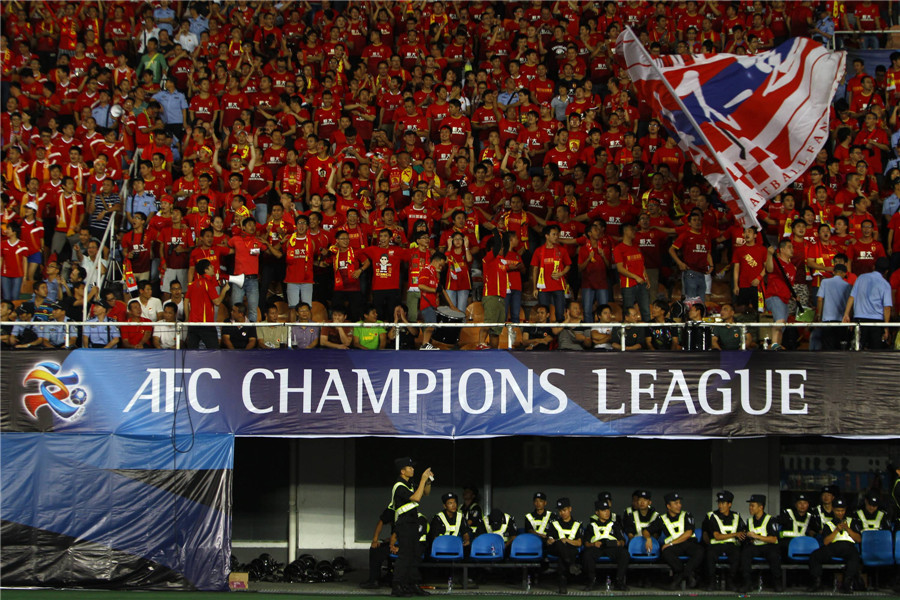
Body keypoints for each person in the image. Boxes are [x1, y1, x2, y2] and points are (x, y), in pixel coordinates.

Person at [389, 457, 433, 598]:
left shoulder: (410, 483)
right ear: (402, 471)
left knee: (415, 555)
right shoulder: (399, 485)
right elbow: (417, 498)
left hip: (413, 522)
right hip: (404, 523)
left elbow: (425, 492)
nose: (412, 469)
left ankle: (412, 585)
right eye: (410, 467)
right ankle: (397, 586)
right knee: (405, 556)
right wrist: (422, 479)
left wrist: (428, 481)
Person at [644, 492, 704, 590]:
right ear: (668, 506)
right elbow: (646, 531)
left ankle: (679, 578)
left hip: (688, 543)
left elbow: (688, 533)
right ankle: (688, 575)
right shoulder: (661, 519)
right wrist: (648, 538)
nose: (679, 505)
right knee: (666, 552)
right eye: (676, 503)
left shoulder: (687, 515)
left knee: (700, 551)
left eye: (679, 503)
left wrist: (671, 543)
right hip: (675, 547)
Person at [806, 497, 862, 593]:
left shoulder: (852, 522)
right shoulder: (828, 524)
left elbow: (859, 539)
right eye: (837, 511)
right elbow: (825, 542)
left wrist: (848, 529)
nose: (840, 513)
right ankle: (817, 583)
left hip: (848, 546)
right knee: (815, 556)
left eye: (842, 510)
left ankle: (847, 583)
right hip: (833, 547)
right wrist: (836, 530)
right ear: (833, 510)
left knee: (855, 556)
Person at [842, 257, 893, 349]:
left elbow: (852, 297)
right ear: (886, 271)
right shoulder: (885, 285)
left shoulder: (861, 278)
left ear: (874, 267)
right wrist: (886, 328)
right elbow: (887, 308)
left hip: (860, 320)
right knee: (875, 351)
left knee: (857, 349)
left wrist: (846, 314)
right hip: (877, 324)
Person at [582, 499, 629, 591]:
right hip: (597, 547)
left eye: (608, 510)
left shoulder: (615, 525)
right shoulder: (591, 526)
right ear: (597, 512)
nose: (607, 512)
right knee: (587, 555)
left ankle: (619, 581)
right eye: (603, 510)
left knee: (624, 554)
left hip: (611, 547)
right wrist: (593, 544)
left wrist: (619, 543)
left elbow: (623, 541)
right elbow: (586, 543)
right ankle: (591, 581)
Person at [740, 495, 783, 593]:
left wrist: (756, 536)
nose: (750, 508)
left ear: (761, 507)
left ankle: (777, 583)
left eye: (752, 506)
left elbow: (774, 539)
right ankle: (747, 583)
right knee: (745, 553)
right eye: (750, 506)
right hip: (754, 547)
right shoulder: (749, 521)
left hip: (768, 546)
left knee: (774, 555)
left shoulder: (771, 520)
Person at [703, 490, 744, 591]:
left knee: (737, 555)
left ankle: (730, 582)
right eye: (719, 503)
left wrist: (742, 535)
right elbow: (716, 536)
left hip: (731, 546)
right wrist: (735, 534)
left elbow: (742, 532)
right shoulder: (712, 516)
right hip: (716, 545)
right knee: (710, 554)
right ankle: (712, 582)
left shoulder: (736, 516)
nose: (720, 506)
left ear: (729, 504)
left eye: (723, 503)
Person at [184, 259, 229, 349]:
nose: (213, 267)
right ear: (206, 270)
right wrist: (224, 290)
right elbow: (217, 302)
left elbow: (186, 301)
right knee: (214, 351)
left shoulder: (193, 284)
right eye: (210, 266)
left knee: (191, 352)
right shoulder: (208, 283)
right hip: (206, 324)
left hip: (193, 325)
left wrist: (187, 318)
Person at [614, 223, 651, 322]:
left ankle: (648, 335)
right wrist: (635, 277)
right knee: (628, 311)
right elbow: (620, 268)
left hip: (642, 283)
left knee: (646, 310)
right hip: (628, 284)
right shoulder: (619, 248)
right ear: (625, 231)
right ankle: (627, 335)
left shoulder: (636, 247)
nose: (634, 231)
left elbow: (642, 264)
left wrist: (646, 278)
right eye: (631, 229)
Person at [547, 497, 582, 594]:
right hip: (556, 548)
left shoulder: (577, 524)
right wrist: (550, 541)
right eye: (560, 511)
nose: (562, 513)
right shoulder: (554, 524)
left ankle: (562, 585)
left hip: (570, 550)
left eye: (564, 510)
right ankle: (571, 564)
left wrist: (567, 540)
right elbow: (548, 540)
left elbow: (579, 543)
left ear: (570, 509)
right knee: (559, 543)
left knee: (562, 558)